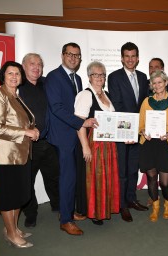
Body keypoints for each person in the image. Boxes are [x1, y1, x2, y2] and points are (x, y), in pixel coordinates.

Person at [45, 42, 98, 235]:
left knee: (72, 177)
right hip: (62, 137)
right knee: (67, 178)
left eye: (77, 55)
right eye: (70, 54)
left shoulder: (77, 79)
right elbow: (56, 108)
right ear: (62, 55)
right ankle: (65, 220)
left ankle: (68, 212)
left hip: (73, 136)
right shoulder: (53, 77)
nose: (73, 58)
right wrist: (81, 123)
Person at [0, 61, 39, 248]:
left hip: (20, 154)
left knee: (18, 195)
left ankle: (13, 228)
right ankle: (10, 234)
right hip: (5, 156)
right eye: (10, 73)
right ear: (3, 76)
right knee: (9, 198)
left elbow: (21, 122)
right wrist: (25, 132)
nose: (14, 76)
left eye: (17, 73)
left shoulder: (16, 96)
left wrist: (33, 129)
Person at [108, 42, 150, 222]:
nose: (130, 59)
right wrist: (129, 131)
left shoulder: (142, 76)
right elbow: (117, 105)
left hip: (139, 132)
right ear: (122, 58)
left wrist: (142, 128)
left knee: (133, 169)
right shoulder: (114, 77)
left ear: (138, 58)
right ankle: (122, 205)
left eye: (133, 56)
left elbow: (143, 105)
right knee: (123, 170)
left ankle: (131, 199)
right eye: (127, 56)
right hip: (124, 132)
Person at [74, 61, 120, 226]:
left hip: (108, 144)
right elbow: (78, 123)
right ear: (89, 77)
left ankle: (104, 208)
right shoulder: (85, 95)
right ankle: (95, 212)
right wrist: (85, 146)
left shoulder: (106, 94)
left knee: (106, 177)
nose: (99, 77)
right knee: (95, 178)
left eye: (102, 75)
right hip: (94, 144)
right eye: (96, 74)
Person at [19, 53, 60, 228]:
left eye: (40, 64)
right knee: (27, 181)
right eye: (32, 63)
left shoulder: (47, 83)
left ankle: (58, 206)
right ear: (23, 66)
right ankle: (31, 213)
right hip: (28, 145)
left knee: (54, 177)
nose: (36, 67)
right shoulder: (17, 86)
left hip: (49, 141)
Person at [139, 70, 168, 222]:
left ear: (166, 83)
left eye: (160, 82)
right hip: (148, 143)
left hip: (165, 143)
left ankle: (167, 204)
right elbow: (140, 124)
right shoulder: (146, 102)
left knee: (165, 181)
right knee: (151, 176)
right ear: (151, 86)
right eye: (154, 83)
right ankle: (155, 206)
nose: (157, 85)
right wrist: (142, 131)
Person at [147, 57, 168, 209]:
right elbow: (143, 118)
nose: (154, 69)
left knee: (167, 174)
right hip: (150, 140)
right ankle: (154, 199)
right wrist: (143, 131)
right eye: (151, 67)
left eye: (157, 67)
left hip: (166, 139)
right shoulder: (147, 96)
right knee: (152, 173)